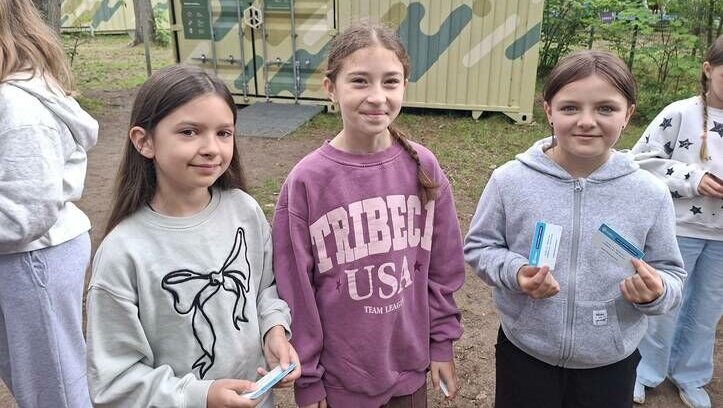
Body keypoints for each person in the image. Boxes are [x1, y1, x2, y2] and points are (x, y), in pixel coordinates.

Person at [464, 50, 686, 408]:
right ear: (548, 111)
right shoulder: (510, 181)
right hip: (526, 352)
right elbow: (479, 247)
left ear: (628, 114)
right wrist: (516, 273)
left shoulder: (650, 193)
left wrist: (656, 292)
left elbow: (672, 274)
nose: (586, 121)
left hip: (610, 361)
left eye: (606, 108)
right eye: (570, 108)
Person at [272, 21, 465, 408]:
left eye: (390, 82)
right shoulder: (307, 181)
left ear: (404, 85)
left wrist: (441, 343)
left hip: (409, 371)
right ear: (331, 87)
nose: (377, 97)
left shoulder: (423, 166)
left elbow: (443, 266)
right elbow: (295, 289)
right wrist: (307, 379)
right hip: (341, 381)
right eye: (359, 81)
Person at [85, 65, 299, 408]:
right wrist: (201, 396)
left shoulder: (244, 211)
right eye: (189, 132)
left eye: (224, 133)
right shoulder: (122, 253)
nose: (212, 148)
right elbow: (114, 382)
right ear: (144, 141)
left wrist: (274, 330)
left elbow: (265, 289)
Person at [0, 0, 98, 408]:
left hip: (32, 260)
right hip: (21, 260)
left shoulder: (17, 106)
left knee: (54, 388)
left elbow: (25, 213)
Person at [631, 36, 723, 408]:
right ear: (708, 70)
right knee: (663, 305)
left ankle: (691, 375)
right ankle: (643, 371)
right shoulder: (680, 113)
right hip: (678, 230)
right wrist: (691, 179)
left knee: (707, 311)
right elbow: (639, 160)